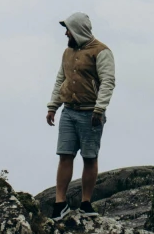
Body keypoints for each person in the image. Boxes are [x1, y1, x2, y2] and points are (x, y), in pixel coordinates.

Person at [46, 12, 116, 221]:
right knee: (65, 155)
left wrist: (99, 109)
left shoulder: (101, 52)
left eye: (68, 29)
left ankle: (86, 202)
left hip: (90, 113)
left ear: (78, 30)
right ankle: (60, 203)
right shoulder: (67, 52)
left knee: (89, 157)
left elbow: (108, 82)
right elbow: (61, 80)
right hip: (68, 111)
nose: (66, 33)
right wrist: (53, 106)